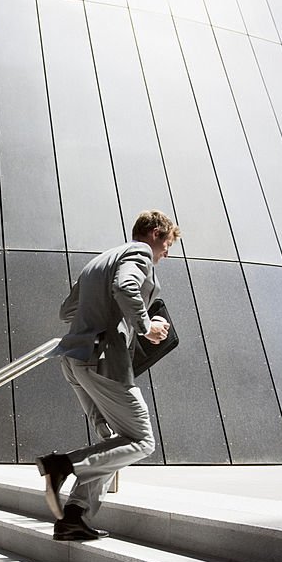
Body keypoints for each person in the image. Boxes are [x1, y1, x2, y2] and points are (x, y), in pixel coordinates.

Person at [36, 209, 180, 541]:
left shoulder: (97, 263)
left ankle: (73, 516)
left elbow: (66, 310)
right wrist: (147, 326)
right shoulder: (139, 253)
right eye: (168, 245)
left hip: (75, 358)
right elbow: (126, 285)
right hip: (103, 359)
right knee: (143, 441)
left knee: (116, 442)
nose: (166, 254)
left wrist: (100, 312)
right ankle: (62, 465)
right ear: (156, 233)